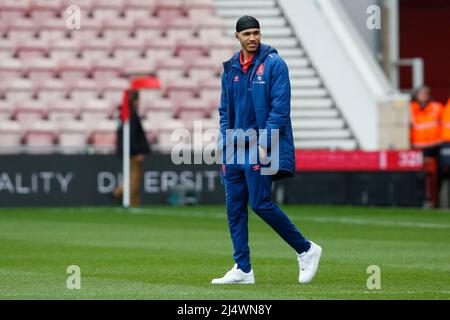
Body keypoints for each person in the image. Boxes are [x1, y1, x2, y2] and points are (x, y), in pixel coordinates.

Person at [211, 16, 322, 284]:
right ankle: (243, 268)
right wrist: (224, 143)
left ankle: (306, 249)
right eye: (247, 33)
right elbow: (226, 110)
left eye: (256, 33)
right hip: (236, 147)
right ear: (237, 36)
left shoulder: (275, 64)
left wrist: (265, 143)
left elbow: (280, 109)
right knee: (234, 207)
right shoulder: (230, 69)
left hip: (261, 146)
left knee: (260, 203)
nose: (253, 38)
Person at [113, 89, 151, 207]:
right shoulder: (131, 115)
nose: (139, 103)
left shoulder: (125, 115)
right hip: (132, 153)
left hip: (127, 151)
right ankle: (120, 194)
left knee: (133, 177)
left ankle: (131, 199)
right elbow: (133, 136)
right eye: (138, 100)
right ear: (134, 101)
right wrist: (138, 151)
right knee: (135, 178)